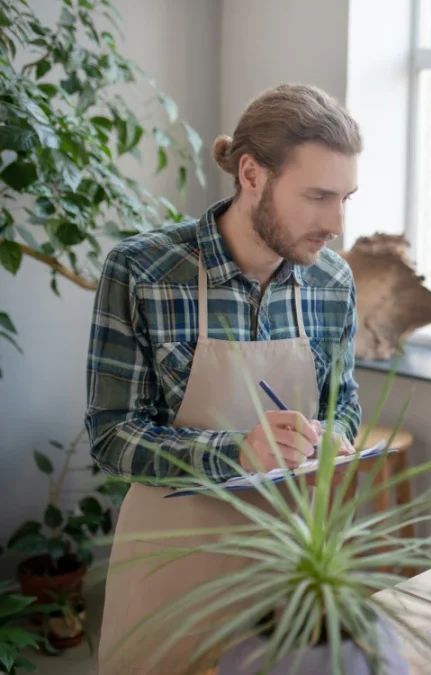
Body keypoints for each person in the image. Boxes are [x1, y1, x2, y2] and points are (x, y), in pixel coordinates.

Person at [85, 83, 364, 674]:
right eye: (317, 196)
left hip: (288, 568)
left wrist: (334, 436)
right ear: (251, 174)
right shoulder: (143, 271)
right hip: (171, 565)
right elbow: (112, 437)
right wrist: (238, 451)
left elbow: (346, 407)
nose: (336, 222)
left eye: (346, 197)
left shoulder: (332, 283)